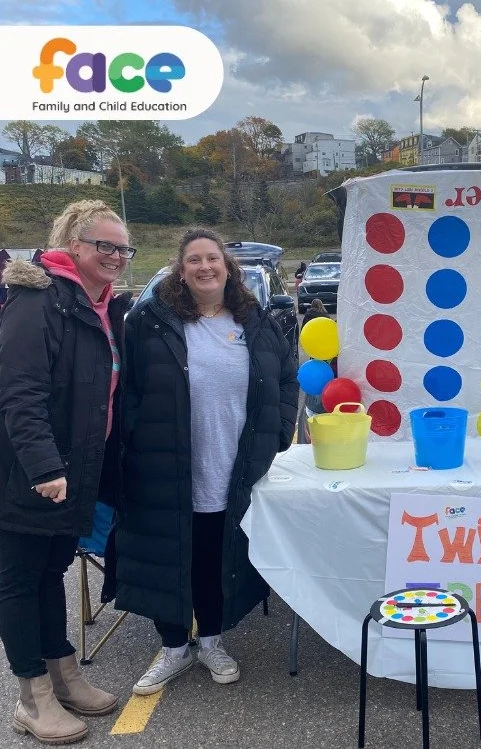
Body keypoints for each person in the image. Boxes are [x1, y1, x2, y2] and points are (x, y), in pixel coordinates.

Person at [117, 227, 298, 695]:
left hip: (232, 463)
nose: (204, 267)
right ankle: (174, 648)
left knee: (216, 555)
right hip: (165, 463)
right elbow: (127, 389)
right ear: (181, 270)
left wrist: (279, 433)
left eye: (212, 258)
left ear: (227, 267)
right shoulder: (150, 321)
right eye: (194, 260)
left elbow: (286, 378)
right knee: (169, 553)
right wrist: (134, 439)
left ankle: (212, 642)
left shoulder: (255, 321)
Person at [0, 201, 133, 744]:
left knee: (52, 570)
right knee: (19, 579)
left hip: (74, 470)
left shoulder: (97, 306)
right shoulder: (38, 301)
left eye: (123, 248)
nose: (117, 256)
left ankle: (63, 674)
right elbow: (20, 392)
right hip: (31, 472)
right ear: (73, 245)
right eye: (105, 245)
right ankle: (31, 697)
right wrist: (45, 466)